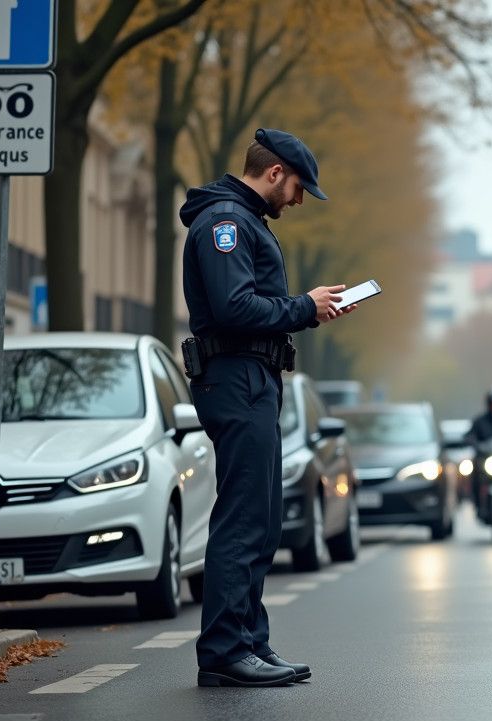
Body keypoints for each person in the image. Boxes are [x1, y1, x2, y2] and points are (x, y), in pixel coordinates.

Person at [181, 128, 356, 688]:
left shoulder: (244, 220)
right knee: (244, 516)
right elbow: (233, 307)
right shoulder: (226, 223)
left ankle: (249, 640)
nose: (300, 200)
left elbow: (250, 304)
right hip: (235, 378)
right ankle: (225, 651)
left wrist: (306, 310)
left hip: (252, 378)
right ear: (275, 172)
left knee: (262, 516)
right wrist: (303, 306)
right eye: (300, 187)